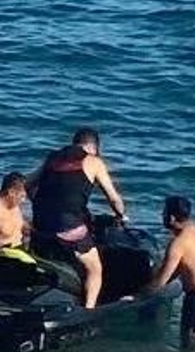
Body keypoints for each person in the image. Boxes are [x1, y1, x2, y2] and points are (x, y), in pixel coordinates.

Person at [27, 126, 128, 309]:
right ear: (94, 147)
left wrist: (41, 205)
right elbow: (113, 198)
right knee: (95, 269)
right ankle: (88, 311)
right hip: (69, 228)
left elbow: (28, 184)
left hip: (40, 225)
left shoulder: (52, 158)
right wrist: (121, 215)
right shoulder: (94, 162)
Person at [143, 196, 195, 349]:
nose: (162, 216)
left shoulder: (178, 244)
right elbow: (180, 269)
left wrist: (140, 295)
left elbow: (161, 280)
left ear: (171, 217)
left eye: (164, 213)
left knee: (189, 350)